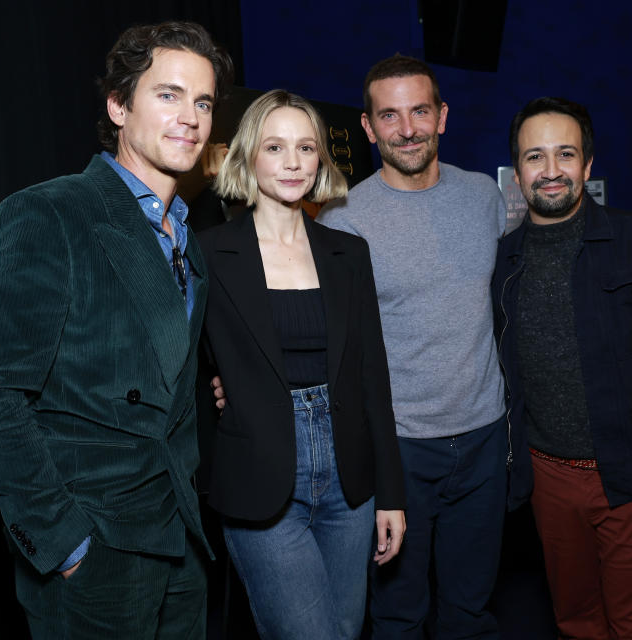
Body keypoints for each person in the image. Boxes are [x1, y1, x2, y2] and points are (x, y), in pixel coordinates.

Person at [0, 21, 232, 638]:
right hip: (95, 550)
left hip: (178, 537)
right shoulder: (49, 214)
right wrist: (65, 544)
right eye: (168, 94)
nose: (190, 116)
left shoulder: (186, 237)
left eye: (203, 101)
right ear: (118, 106)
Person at [494, 96, 632, 640]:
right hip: (548, 481)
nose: (550, 171)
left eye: (565, 154)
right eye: (535, 157)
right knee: (577, 623)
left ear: (588, 167)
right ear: (517, 174)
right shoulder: (501, 260)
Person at [197, 89, 406, 640]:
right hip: (261, 481)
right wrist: (220, 388)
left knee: (344, 627)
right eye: (275, 146)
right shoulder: (209, 253)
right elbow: (179, 364)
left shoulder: (347, 253)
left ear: (321, 159)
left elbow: (372, 380)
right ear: (249, 156)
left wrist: (392, 495)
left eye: (306, 147)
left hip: (350, 480)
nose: (292, 162)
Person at [317, 55, 509, 638]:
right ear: (369, 127)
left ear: (442, 116)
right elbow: (325, 339)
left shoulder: (485, 198)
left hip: (484, 438)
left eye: (420, 111)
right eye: (390, 116)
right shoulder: (342, 218)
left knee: (470, 612)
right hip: (397, 449)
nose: (408, 130)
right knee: (399, 615)